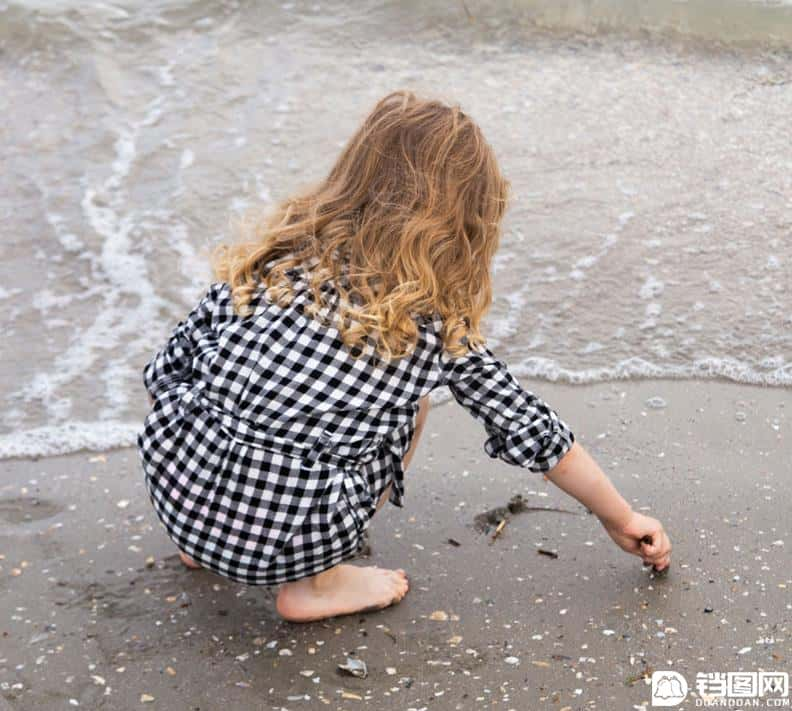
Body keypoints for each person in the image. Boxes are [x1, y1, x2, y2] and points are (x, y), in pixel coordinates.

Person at [137, 90, 671, 623]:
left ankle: (203, 542)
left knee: (226, 392)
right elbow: (528, 426)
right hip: (287, 532)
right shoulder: (429, 325)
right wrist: (619, 517)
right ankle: (316, 585)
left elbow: (168, 367)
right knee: (411, 406)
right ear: (462, 218)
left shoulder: (276, 259)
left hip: (177, 488)